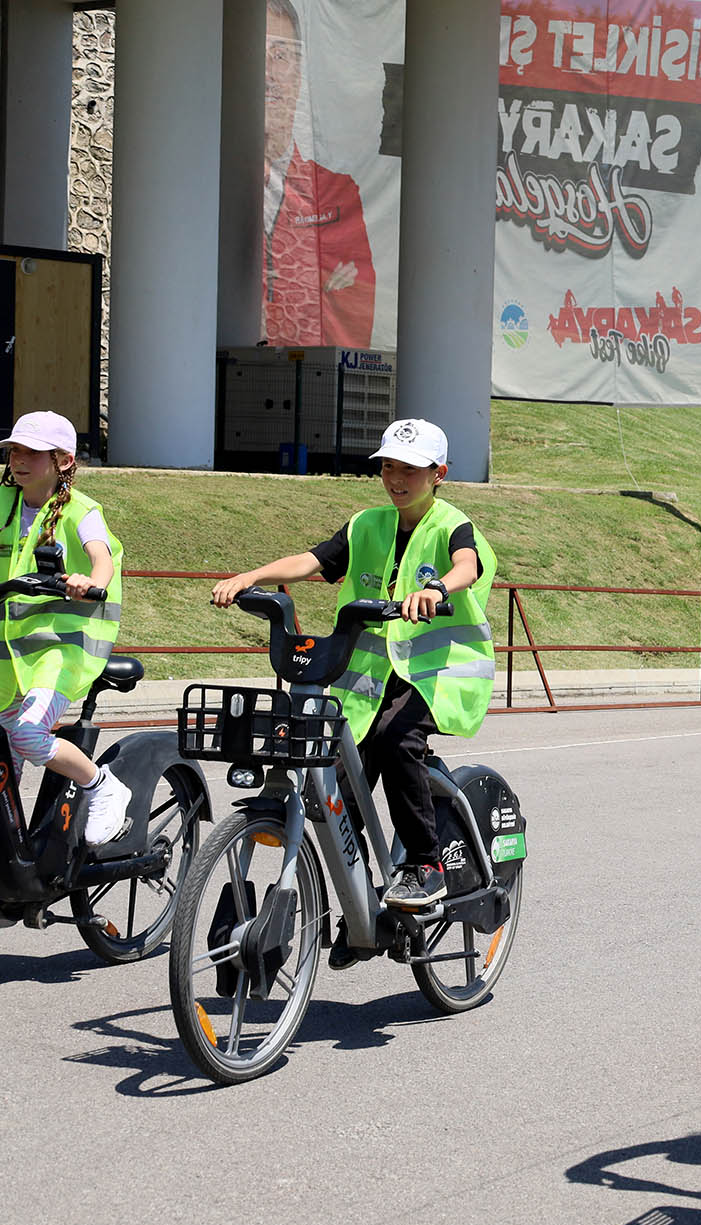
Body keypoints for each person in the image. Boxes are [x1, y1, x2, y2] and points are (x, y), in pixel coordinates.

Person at [211, 419, 496, 918]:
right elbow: (313, 560)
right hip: (367, 679)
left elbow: (467, 566)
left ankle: (426, 866)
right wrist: (251, 576)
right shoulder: (367, 523)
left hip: (436, 675)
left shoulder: (452, 524)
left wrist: (437, 590)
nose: (396, 478)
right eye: (388, 466)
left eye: (409, 468)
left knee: (396, 741)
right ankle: (362, 906)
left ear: (439, 474)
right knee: (334, 783)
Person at [0, 412, 130, 845]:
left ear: (63, 461)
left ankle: (100, 785)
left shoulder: (81, 511)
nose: (18, 459)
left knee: (27, 733)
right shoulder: (3, 503)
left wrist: (91, 582)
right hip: (8, 655)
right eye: (14, 450)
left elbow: (102, 558)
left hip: (60, 651)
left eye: (31, 452)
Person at [262, 0, 376, 346]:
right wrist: (314, 294)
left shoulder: (337, 193)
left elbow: (354, 316)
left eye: (281, 55)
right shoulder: (209, 186)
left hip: (307, 381)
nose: (268, 71)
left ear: (299, 74)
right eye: (258, 52)